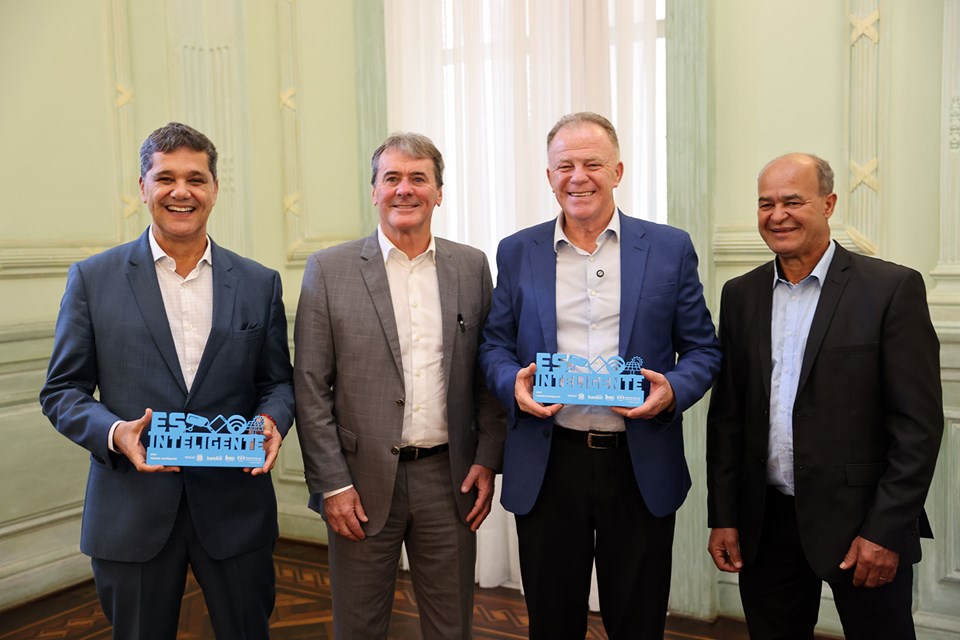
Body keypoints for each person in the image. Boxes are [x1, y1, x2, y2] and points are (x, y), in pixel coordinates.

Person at [39, 122, 295, 639]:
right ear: (143, 187)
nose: (182, 191)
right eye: (166, 178)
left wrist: (272, 420)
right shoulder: (92, 279)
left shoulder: (258, 282)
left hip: (235, 509)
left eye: (196, 179)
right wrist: (116, 433)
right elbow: (61, 391)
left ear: (215, 189)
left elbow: (278, 382)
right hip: (131, 511)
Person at [478, 112, 721, 639]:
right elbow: (494, 344)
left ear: (618, 171)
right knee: (552, 623)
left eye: (592, 164)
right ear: (549, 176)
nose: (578, 177)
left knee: (637, 623)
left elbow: (703, 349)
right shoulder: (517, 251)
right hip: (549, 461)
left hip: (637, 462)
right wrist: (511, 384)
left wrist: (672, 392)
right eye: (564, 165)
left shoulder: (669, 248)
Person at [706, 153, 944, 639]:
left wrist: (885, 530)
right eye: (766, 203)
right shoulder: (740, 295)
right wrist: (725, 516)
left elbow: (917, 428)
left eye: (793, 201)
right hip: (766, 524)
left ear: (829, 204)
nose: (778, 215)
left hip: (862, 523)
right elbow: (728, 417)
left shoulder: (891, 288)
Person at [293, 132, 505, 639]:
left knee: (451, 628)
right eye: (392, 178)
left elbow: (487, 372)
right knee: (359, 628)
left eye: (418, 178)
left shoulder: (471, 266)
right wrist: (332, 484)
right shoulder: (329, 270)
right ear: (374, 191)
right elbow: (310, 387)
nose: (404, 189)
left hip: (449, 479)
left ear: (439, 192)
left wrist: (487, 458)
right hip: (358, 483)